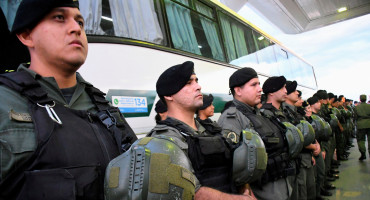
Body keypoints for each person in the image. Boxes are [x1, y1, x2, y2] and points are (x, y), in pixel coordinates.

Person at [0, 0, 137, 199]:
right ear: (26, 35)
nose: (76, 28)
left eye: (80, 22)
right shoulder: (5, 100)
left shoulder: (105, 108)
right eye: (59, 18)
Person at [148, 61, 256, 199]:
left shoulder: (211, 129)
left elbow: (234, 168)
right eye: (188, 83)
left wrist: (245, 189)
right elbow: (193, 192)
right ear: (169, 95)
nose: (198, 87)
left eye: (196, 81)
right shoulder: (163, 140)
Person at [218, 71, 291, 200]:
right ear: (238, 91)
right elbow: (229, 161)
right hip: (260, 192)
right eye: (254, 85)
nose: (260, 89)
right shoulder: (232, 117)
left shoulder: (259, 114)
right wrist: (245, 189)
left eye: (259, 84)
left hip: (279, 185)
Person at [355, 94, 370, 160]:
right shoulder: (369, 106)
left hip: (360, 125)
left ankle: (363, 153)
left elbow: (355, 117)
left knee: (361, 140)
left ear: (360, 99)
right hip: (369, 124)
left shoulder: (357, 107)